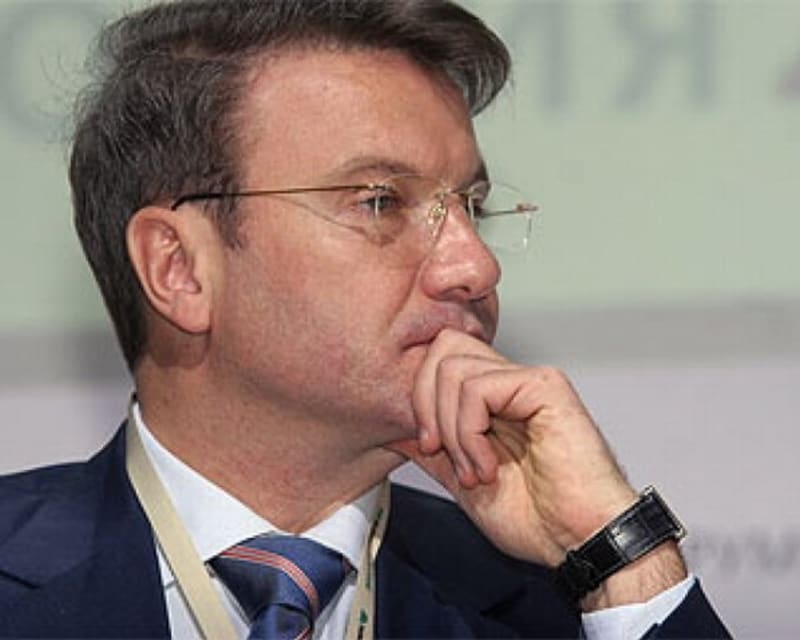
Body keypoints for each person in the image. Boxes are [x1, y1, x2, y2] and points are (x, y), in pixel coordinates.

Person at [0, 1, 730, 638]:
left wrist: (617, 557)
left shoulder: (562, 602)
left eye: (472, 208)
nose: (476, 266)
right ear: (179, 269)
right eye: (380, 202)